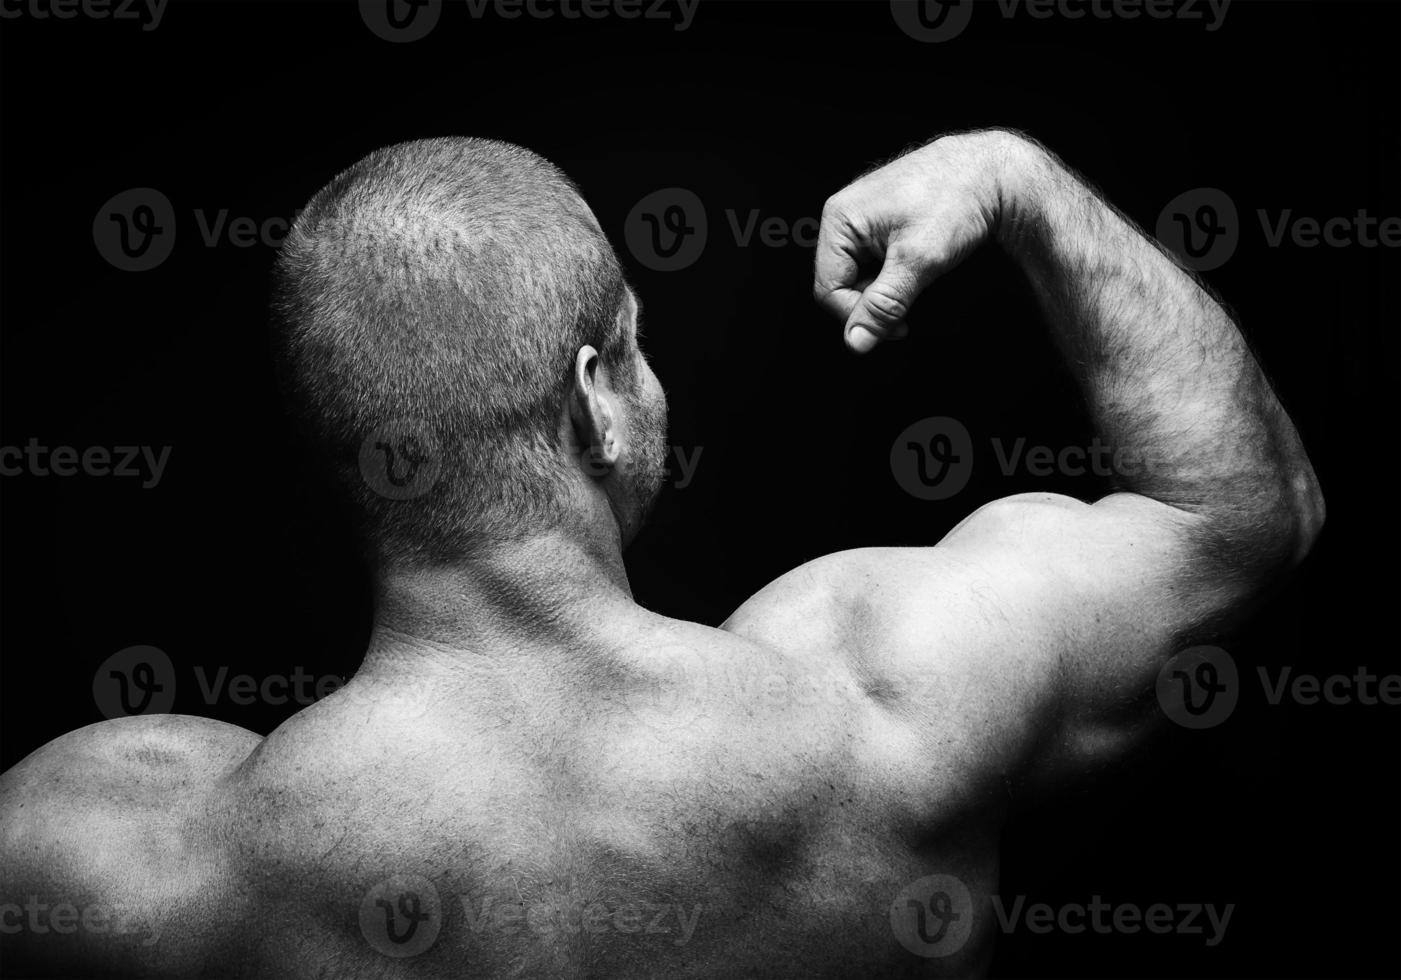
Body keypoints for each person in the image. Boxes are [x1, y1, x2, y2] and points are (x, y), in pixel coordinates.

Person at [0, 129, 1323, 978]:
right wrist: (1020, 183)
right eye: (637, 338)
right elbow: (1240, 512)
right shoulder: (880, 703)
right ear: (593, 394)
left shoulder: (151, 852)